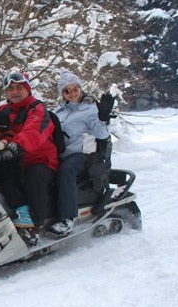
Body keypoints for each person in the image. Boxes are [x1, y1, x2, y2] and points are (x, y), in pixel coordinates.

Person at [0, 71, 58, 246]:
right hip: (12, 158)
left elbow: (33, 131)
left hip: (38, 157)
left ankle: (34, 226)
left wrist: (15, 146)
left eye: (19, 88)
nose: (15, 92)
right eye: (11, 88)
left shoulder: (37, 109)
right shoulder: (2, 110)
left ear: (27, 89)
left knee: (34, 177)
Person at [48, 70, 111, 237]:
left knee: (66, 171)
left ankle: (67, 218)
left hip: (83, 155)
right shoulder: (58, 111)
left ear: (80, 89)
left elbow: (102, 134)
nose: (72, 93)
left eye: (75, 89)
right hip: (61, 154)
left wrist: (103, 118)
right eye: (67, 90)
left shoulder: (89, 110)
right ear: (62, 93)